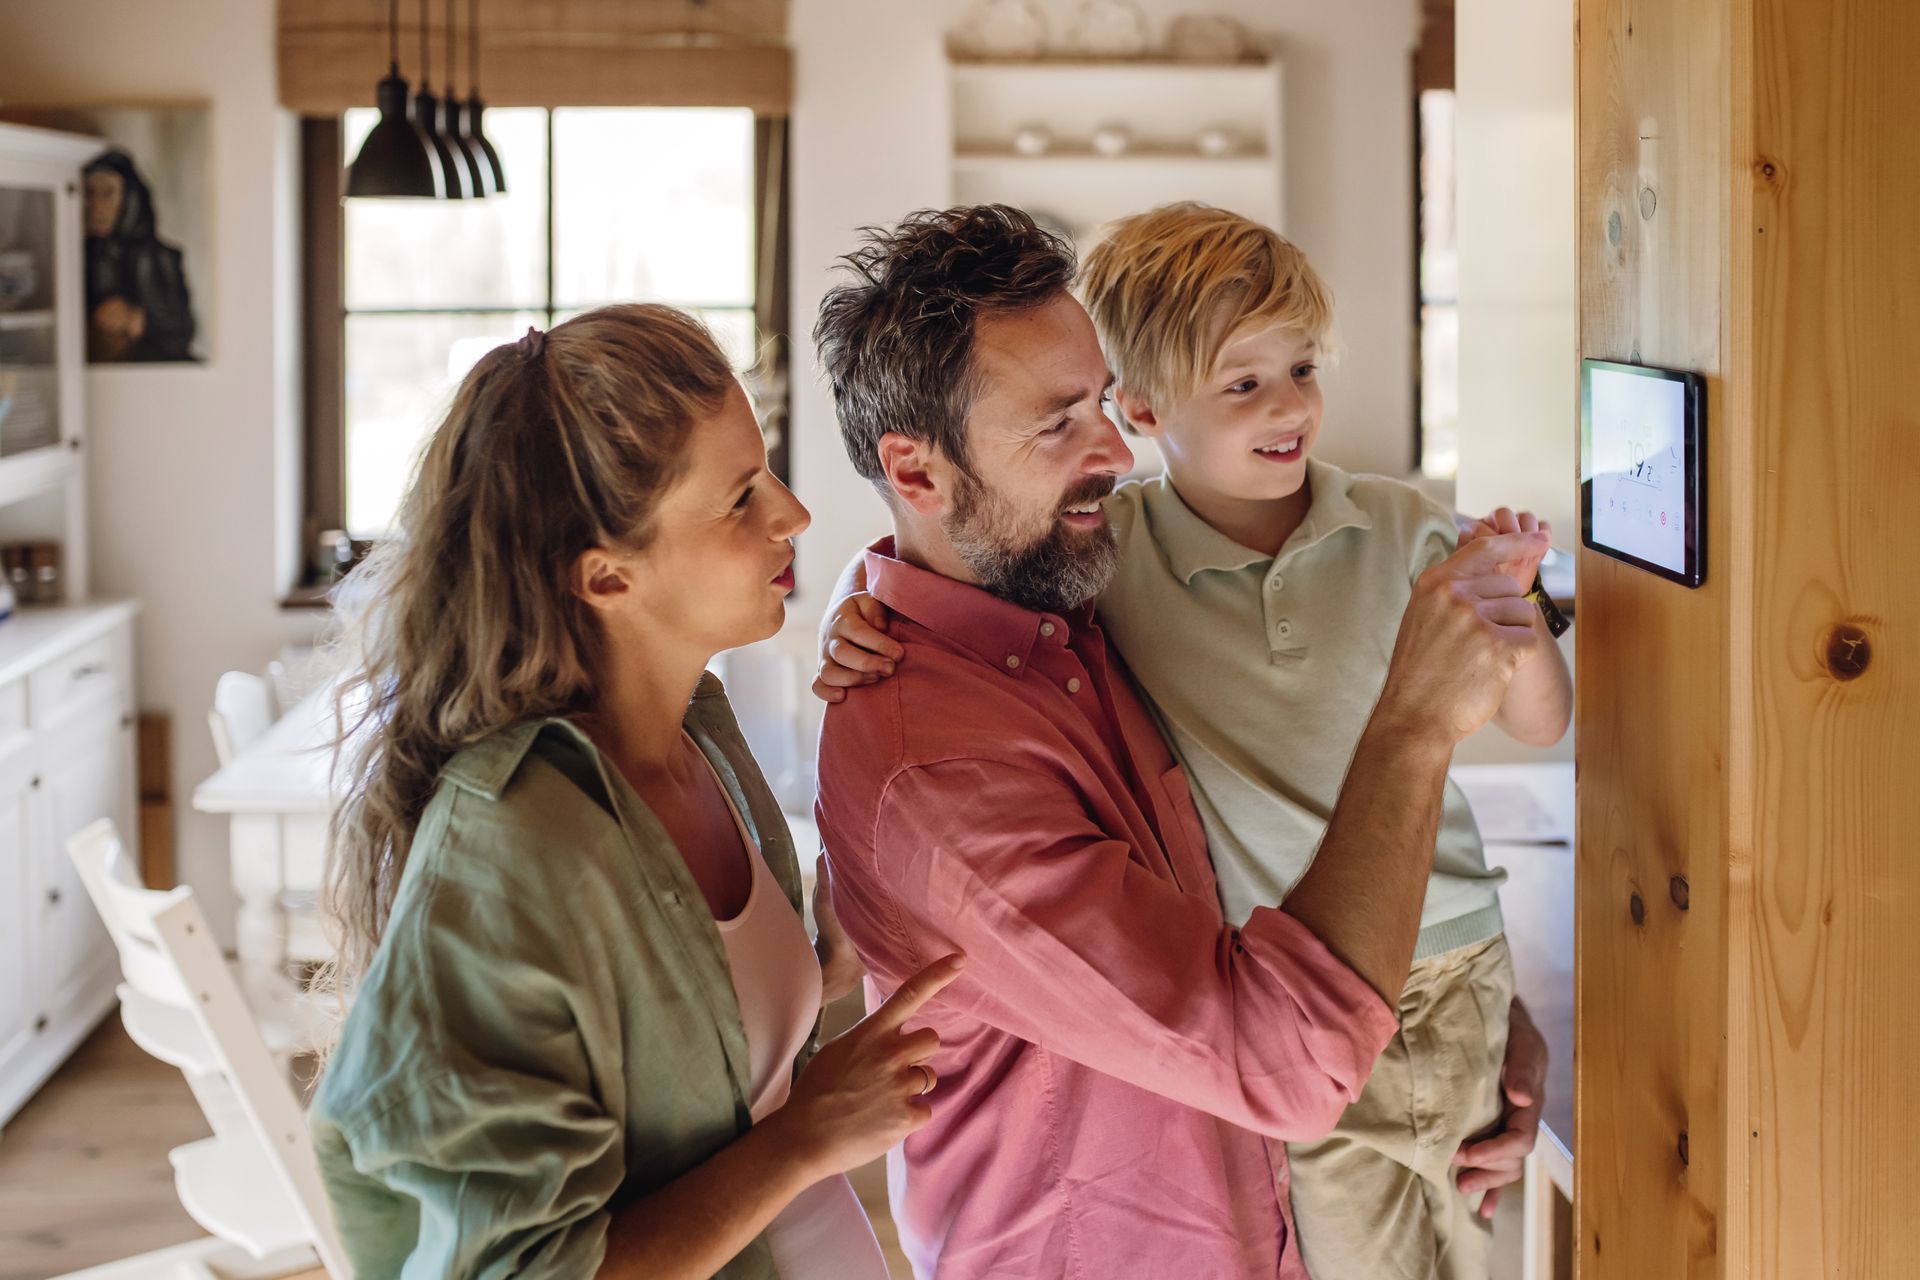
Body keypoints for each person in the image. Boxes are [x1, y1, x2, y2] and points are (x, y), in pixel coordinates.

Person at [821, 203, 1568, 1277]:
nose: (1112, 450)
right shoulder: (949, 754)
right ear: (919, 473)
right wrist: (1413, 724)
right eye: (1059, 422)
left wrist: (1470, 986)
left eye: (1097, 405)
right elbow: (1286, 1058)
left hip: (1365, 1072)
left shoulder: (1062, 591)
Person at [309, 304, 957, 1279]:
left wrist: (828, 963)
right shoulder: (506, 847)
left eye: (768, 471)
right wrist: (809, 1136)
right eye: (740, 498)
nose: (792, 514)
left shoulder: (700, 736)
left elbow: (703, 1065)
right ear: (607, 577)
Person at [82, 149, 195, 362]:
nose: (96, 206)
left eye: (108, 193)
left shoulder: (159, 256)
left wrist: (134, 318)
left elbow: (182, 329)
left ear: (129, 198)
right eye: (89, 193)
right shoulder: (77, 255)